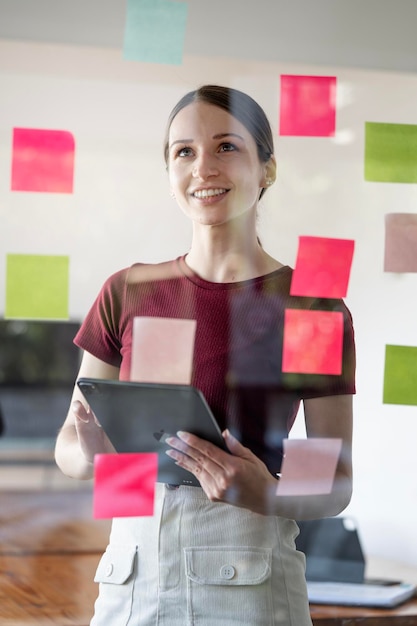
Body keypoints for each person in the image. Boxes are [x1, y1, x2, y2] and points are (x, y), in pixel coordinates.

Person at [55, 84, 356, 626]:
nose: (203, 168)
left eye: (226, 147)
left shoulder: (309, 305)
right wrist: (101, 459)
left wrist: (268, 494)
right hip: (131, 582)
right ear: (169, 173)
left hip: (249, 583)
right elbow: (69, 450)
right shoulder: (128, 291)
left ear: (267, 169)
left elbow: (334, 481)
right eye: (184, 151)